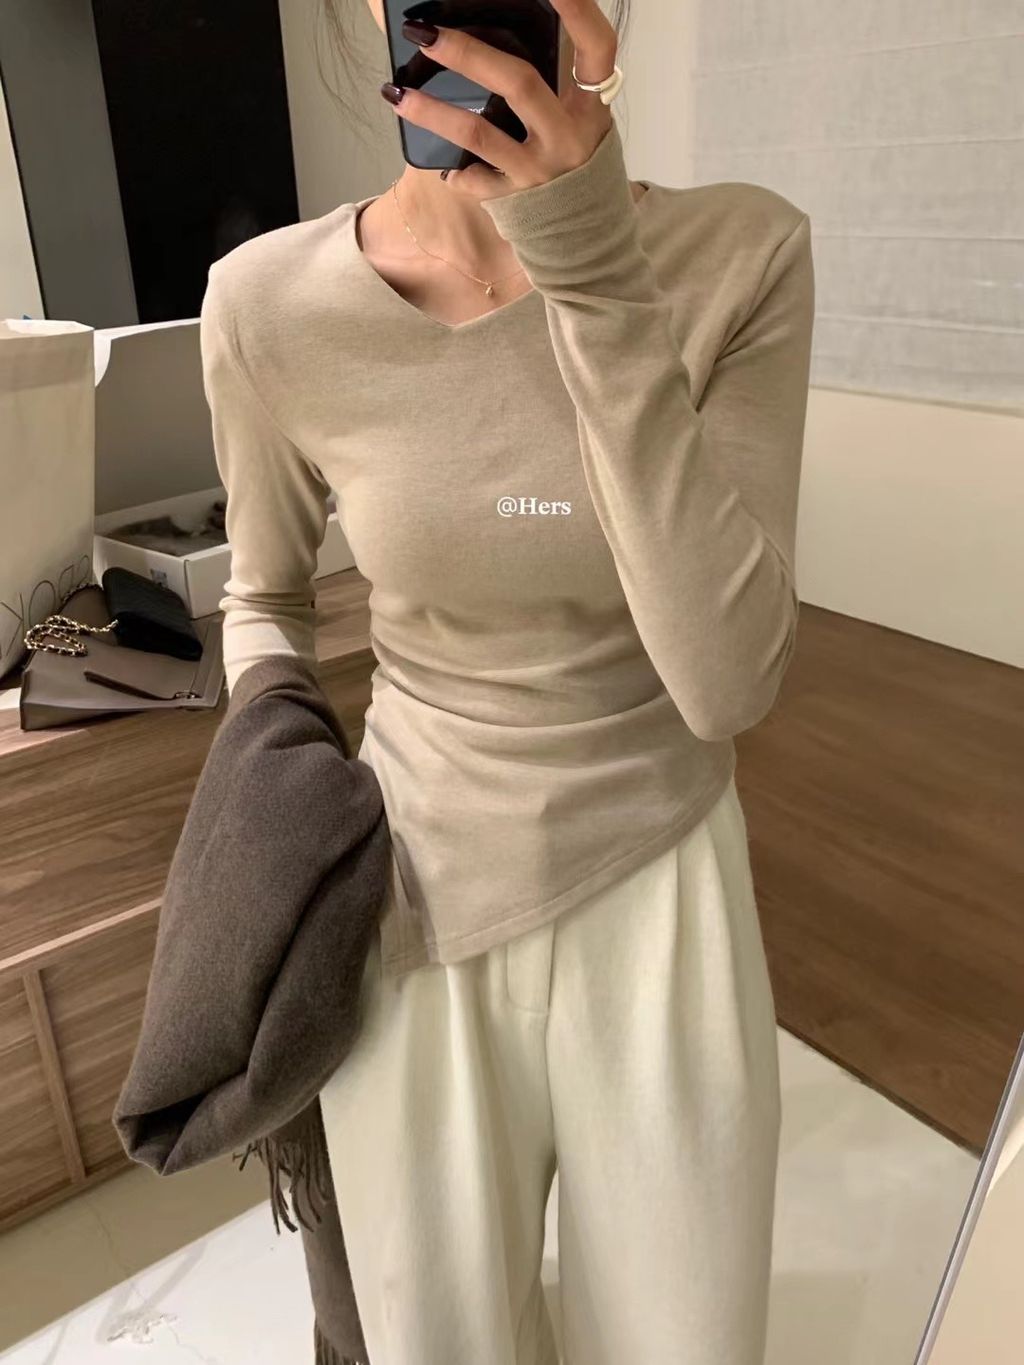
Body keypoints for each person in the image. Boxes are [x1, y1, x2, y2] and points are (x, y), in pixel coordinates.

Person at [198, 1, 815, 1360]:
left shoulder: (743, 252)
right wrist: (276, 785)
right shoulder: (266, 303)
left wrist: (589, 266)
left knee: (683, 1340)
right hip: (413, 885)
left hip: (663, 880)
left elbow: (727, 681)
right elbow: (266, 595)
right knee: (442, 1339)